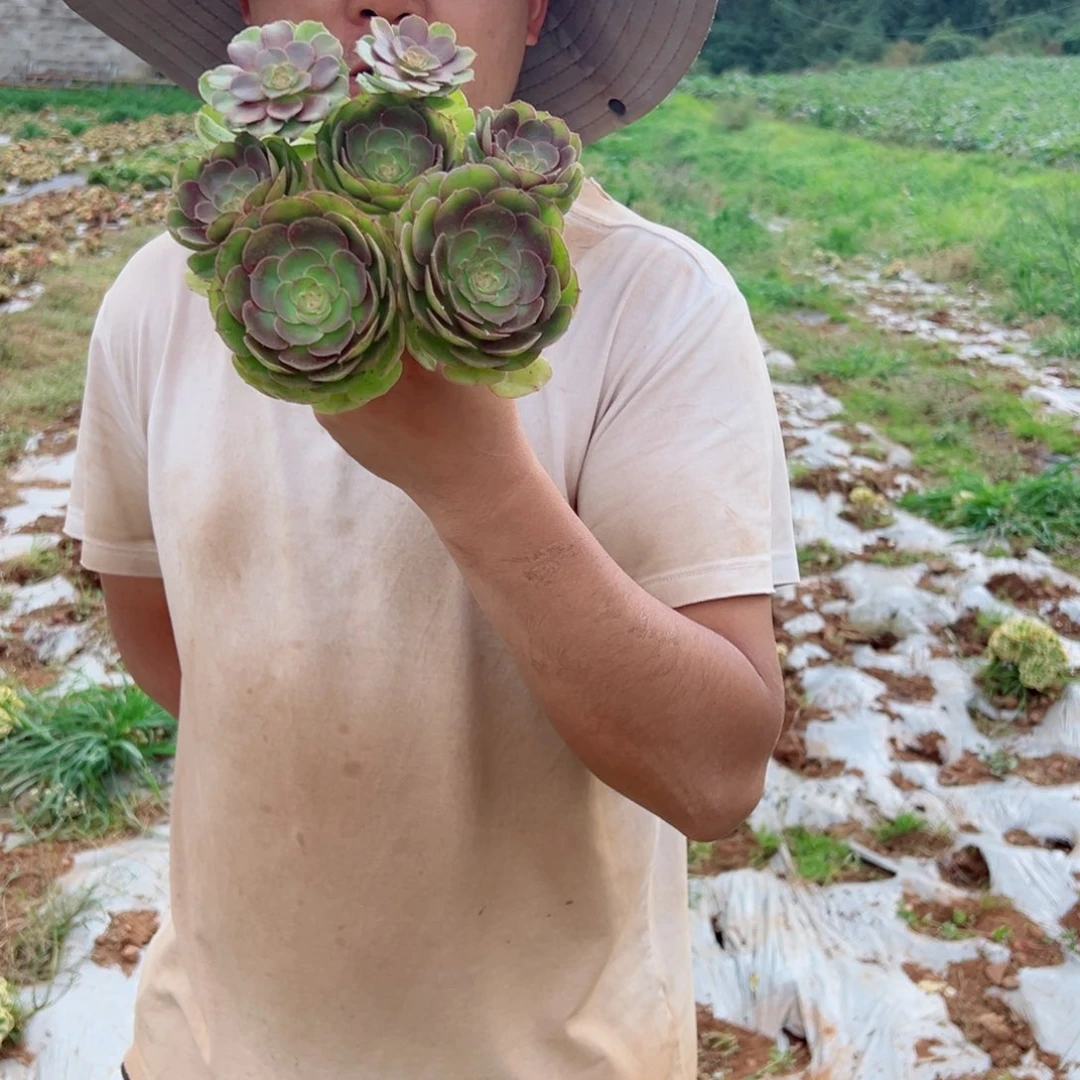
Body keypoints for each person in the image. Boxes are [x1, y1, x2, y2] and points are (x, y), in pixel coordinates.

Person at [62, 0, 799, 1076]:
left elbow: (715, 776)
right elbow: (174, 648)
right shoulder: (153, 300)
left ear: (537, 11)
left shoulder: (658, 302)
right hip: (203, 1047)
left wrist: (473, 482)